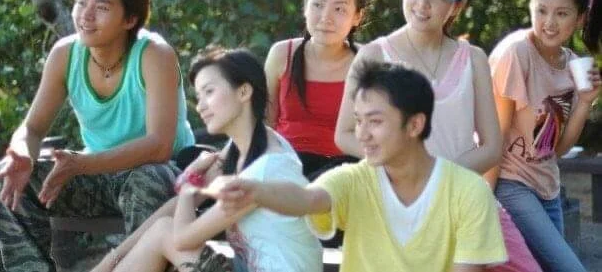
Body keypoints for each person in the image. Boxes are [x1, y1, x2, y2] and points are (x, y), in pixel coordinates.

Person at [334, 0, 541, 272]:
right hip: (398, 201)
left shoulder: (473, 59)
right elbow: (345, 134)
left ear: (456, 6)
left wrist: (439, 180)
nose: (423, 3)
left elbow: (491, 147)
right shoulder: (373, 55)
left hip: (464, 198)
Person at [206, 61, 507, 272]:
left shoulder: (469, 192)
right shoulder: (353, 179)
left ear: (415, 124)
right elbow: (307, 199)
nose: (361, 134)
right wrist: (257, 191)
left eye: (374, 121)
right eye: (358, 121)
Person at [0, 0, 195, 272]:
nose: (85, 16)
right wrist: (21, 152)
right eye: (81, 3)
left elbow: (159, 146)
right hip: (96, 174)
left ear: (130, 19)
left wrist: (81, 164)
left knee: (148, 178)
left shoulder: (154, 54)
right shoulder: (65, 54)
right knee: (7, 180)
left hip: (162, 172)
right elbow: (33, 129)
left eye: (101, 7)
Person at [92, 47, 322, 272]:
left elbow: (182, 239)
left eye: (209, 92)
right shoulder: (243, 148)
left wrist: (188, 183)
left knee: (164, 232)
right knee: (162, 229)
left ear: (243, 92)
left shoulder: (264, 168)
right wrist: (111, 260)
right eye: (198, 96)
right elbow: (175, 210)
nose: (201, 106)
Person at [489, 0, 602, 272]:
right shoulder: (516, 53)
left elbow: (556, 149)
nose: (549, 22)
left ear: (580, 19)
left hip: (547, 187)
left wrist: (585, 102)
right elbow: (494, 135)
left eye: (561, 13)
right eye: (541, 10)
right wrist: (481, 198)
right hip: (510, 183)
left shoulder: (574, 66)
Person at [265, 0, 372, 179]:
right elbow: (265, 122)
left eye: (339, 9)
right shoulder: (282, 54)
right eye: (318, 5)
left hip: (344, 171)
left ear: (357, 17)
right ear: (305, 7)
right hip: (284, 165)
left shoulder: (368, 61)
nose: (326, 17)